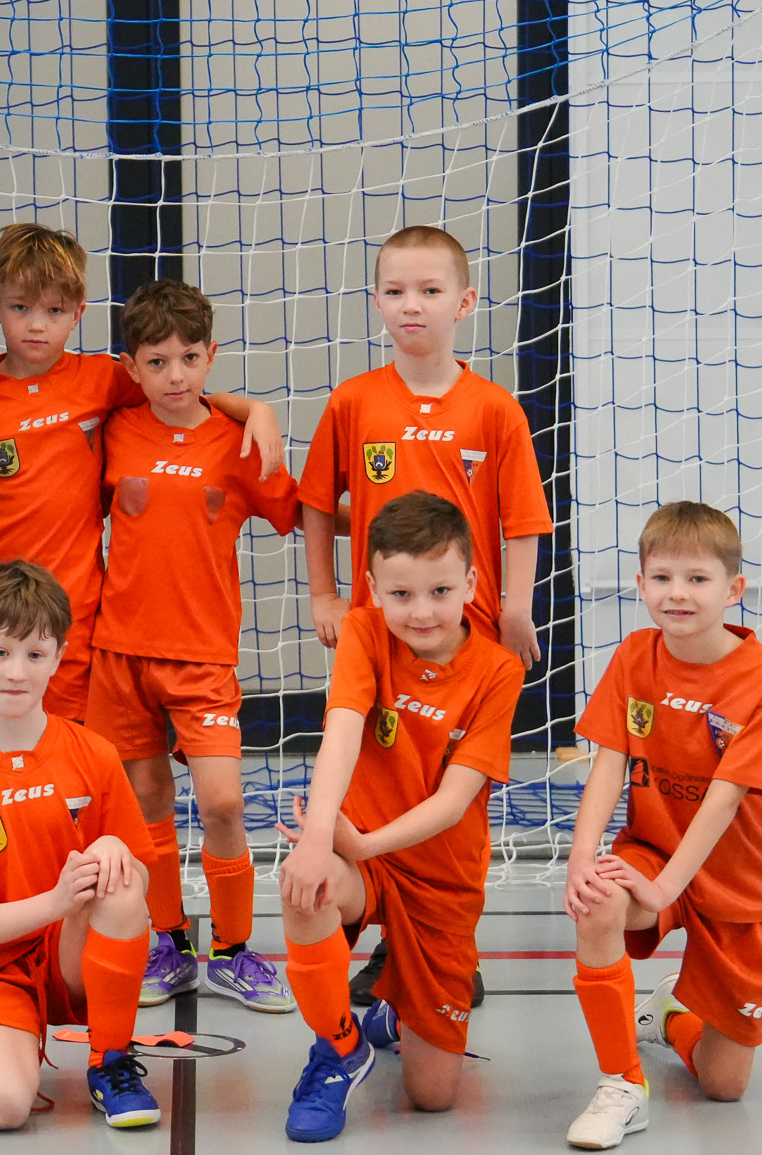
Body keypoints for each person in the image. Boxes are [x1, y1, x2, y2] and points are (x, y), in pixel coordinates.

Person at [297, 224, 554, 1006]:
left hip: (466, 637)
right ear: (376, 301)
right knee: (376, 783)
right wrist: (324, 592)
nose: (413, 305)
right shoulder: (353, 401)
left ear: (464, 302)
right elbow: (317, 503)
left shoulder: (494, 410)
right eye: (397, 290)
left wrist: (516, 608)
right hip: (383, 633)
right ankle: (372, 926)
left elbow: (523, 520)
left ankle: (448, 942)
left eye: (430, 290)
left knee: (454, 801)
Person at [0, 222, 283, 725]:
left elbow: (181, 393)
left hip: (73, 611)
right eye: (21, 308)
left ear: (78, 314)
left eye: (54, 311)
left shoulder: (103, 380)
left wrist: (255, 410)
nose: (36, 325)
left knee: (71, 751)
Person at [273, 492, 524, 1142]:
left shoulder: (498, 671)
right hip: (363, 862)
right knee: (304, 886)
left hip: (441, 878)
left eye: (441, 591)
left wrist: (365, 840)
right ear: (373, 588)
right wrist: (320, 838)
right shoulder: (363, 631)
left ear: (471, 582)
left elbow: (454, 801)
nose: (422, 611)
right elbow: (342, 730)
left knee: (432, 1097)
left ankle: (393, 1006)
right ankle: (340, 1047)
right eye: (402, 594)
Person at [85, 278, 302, 1015]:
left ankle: (234, 951)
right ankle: (169, 940)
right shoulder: (114, 430)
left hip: (204, 658)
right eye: (156, 361)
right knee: (144, 804)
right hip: (118, 654)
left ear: (211, 357)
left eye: (189, 358)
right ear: (132, 367)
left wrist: (259, 412)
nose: (174, 376)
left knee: (223, 803)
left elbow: (298, 513)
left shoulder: (239, 444)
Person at [560, 502, 762, 1149]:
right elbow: (608, 765)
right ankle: (622, 1083)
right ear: (641, 585)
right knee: (599, 899)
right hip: (651, 851)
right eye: (662, 577)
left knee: (724, 1085)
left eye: (697, 578)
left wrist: (667, 886)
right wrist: (582, 858)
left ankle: (668, 1016)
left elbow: (725, 797)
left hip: (736, 880)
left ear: (733, 589)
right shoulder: (636, 655)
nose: (678, 593)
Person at [0, 560, 160, 1130]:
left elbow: (141, 884)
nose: (17, 671)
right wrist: (55, 901)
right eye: (0, 652)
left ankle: (111, 1060)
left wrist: (116, 855)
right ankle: (6, 1040)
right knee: (2, 1108)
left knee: (119, 877)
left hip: (71, 950)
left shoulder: (93, 753)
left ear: (59, 656)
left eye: (35, 654)